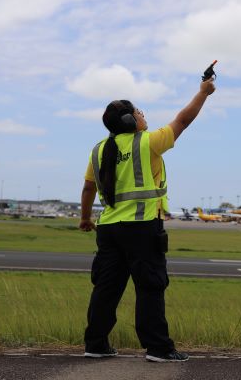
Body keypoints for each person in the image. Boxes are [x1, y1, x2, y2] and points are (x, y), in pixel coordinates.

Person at [79, 78, 216, 362]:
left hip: (108, 230)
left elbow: (89, 188)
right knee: (150, 287)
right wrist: (203, 93)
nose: (144, 115)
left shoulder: (97, 150)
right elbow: (183, 120)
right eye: (139, 111)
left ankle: (95, 344)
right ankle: (158, 348)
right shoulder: (149, 142)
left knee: (106, 288)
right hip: (141, 228)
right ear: (131, 120)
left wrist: (85, 218)